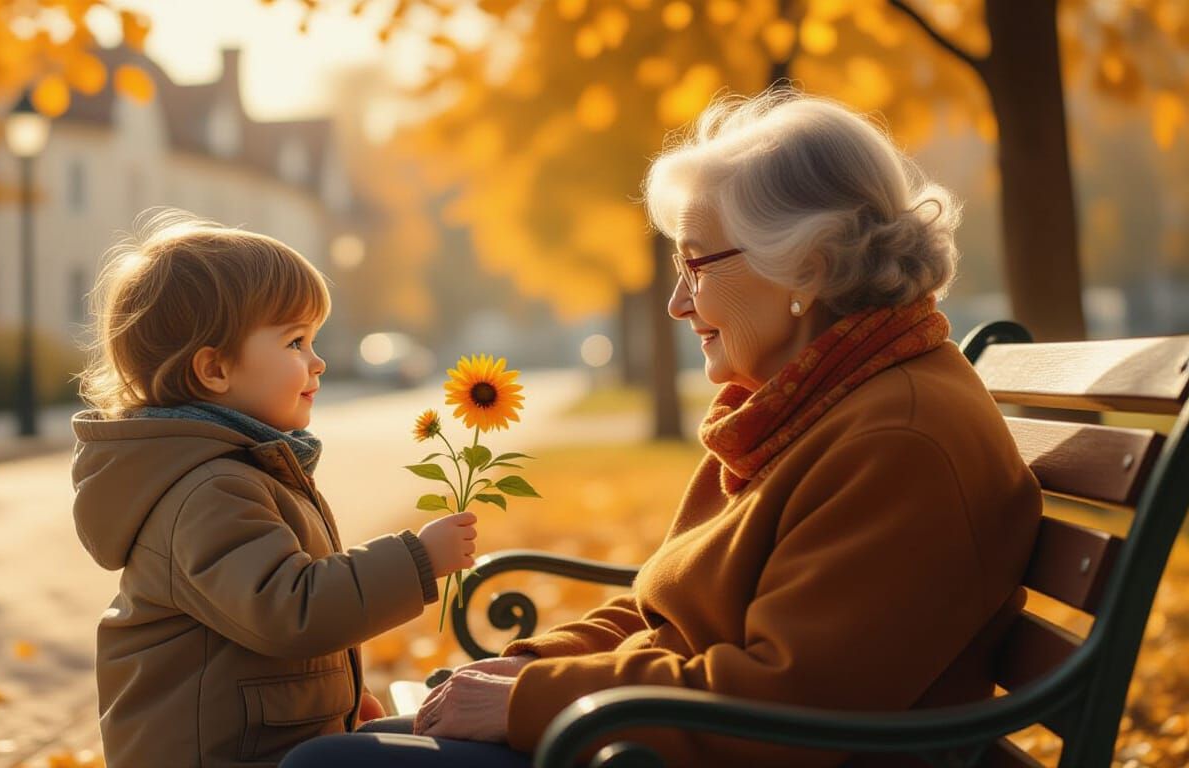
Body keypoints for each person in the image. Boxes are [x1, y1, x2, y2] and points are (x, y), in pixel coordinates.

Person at [279, 86, 1043, 768]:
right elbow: (670, 612)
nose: (678, 303)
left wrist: (533, 701)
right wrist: (525, 670)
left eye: (697, 265)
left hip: (697, 745)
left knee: (327, 767)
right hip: (654, 730)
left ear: (805, 265)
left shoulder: (896, 439)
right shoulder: (802, 403)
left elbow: (789, 701)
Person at [70, 208, 478, 768]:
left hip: (257, 741)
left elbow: (251, 642)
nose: (318, 361)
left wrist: (331, 703)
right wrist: (417, 559)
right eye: (295, 342)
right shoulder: (207, 490)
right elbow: (289, 608)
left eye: (313, 339)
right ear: (214, 370)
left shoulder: (239, 470)